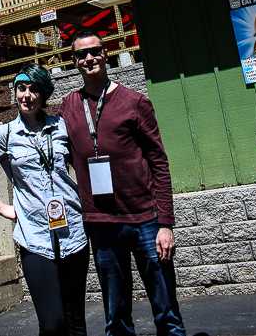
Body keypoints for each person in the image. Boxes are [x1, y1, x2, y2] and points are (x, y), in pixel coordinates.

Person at [57, 28, 186, 336]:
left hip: (145, 220)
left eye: (95, 51)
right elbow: (44, 140)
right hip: (101, 223)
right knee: (116, 315)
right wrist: (6, 133)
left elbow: (159, 162)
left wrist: (165, 223)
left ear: (106, 53)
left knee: (166, 308)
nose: (89, 58)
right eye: (80, 54)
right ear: (74, 61)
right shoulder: (68, 107)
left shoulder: (135, 101)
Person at [0, 62, 90, 336]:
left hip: (74, 232)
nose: (26, 96)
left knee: (76, 321)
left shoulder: (61, 126)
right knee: (53, 324)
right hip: (35, 237)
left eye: (33, 90)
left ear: (43, 95)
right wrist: (3, 207)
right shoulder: (5, 134)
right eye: (21, 89)